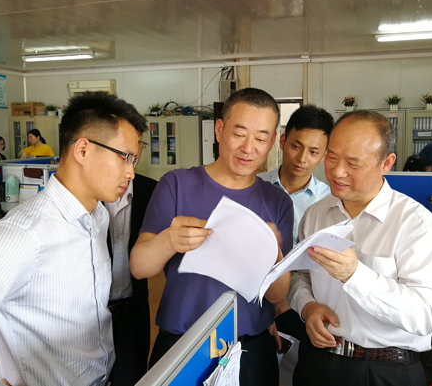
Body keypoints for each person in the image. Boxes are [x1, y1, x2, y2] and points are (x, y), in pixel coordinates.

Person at [0, 92, 147, 386]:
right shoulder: (24, 235)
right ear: (83, 150)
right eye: (125, 157)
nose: (131, 172)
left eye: (134, 160)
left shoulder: (98, 217)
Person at [130, 88, 294, 386]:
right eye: (239, 134)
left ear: (272, 142)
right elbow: (139, 267)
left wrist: (273, 252)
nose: (248, 148)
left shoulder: (277, 201)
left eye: (260, 139)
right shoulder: (177, 184)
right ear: (219, 130)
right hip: (182, 344)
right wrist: (169, 240)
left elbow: (277, 296)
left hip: (249, 349)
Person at [288, 110, 432, 386]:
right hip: (317, 360)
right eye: (332, 157)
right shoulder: (316, 214)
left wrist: (355, 275)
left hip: (384, 369)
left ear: (386, 163)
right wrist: (308, 306)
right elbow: (301, 275)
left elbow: (426, 315)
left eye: (353, 163)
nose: (337, 172)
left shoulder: (416, 225)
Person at [257, 105, 334, 359]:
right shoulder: (255, 187)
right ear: (282, 142)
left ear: (324, 155)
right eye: (296, 146)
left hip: (303, 302)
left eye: (313, 152)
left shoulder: (329, 203)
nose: (302, 158)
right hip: (256, 299)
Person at [106, 136, 157, 386]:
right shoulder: (87, 194)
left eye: (138, 142)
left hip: (133, 305)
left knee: (135, 374)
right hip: (92, 311)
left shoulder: (151, 191)